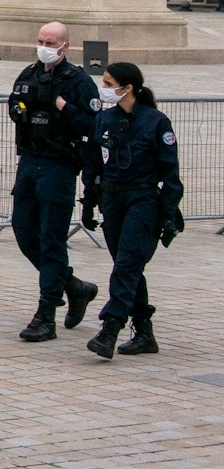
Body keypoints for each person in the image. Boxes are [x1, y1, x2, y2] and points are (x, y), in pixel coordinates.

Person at [81, 63, 184, 359]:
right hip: (112, 200)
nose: (104, 87)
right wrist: (89, 202)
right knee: (128, 266)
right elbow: (93, 165)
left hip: (143, 200)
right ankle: (144, 331)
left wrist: (167, 213)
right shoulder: (104, 120)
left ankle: (110, 327)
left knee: (126, 264)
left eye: (109, 82)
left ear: (127, 88)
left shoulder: (156, 122)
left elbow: (171, 174)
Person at [6, 21, 100, 342]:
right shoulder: (29, 74)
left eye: (50, 41)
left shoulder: (78, 82)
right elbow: (14, 103)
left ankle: (46, 314)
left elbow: (92, 125)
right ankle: (74, 286)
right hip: (30, 161)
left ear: (65, 47)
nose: (44, 45)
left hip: (59, 166)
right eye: (40, 40)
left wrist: (64, 107)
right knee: (23, 230)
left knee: (51, 240)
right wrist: (19, 109)